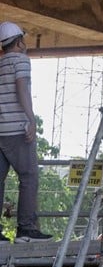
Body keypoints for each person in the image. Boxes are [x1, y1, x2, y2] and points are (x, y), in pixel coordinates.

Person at [0, 22, 52, 243]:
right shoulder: (21, 61)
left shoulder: (0, 63)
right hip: (17, 130)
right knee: (29, 177)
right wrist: (31, 119)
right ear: (19, 41)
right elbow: (22, 88)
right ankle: (26, 229)